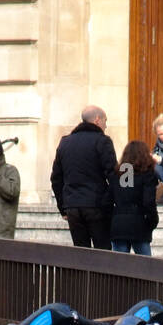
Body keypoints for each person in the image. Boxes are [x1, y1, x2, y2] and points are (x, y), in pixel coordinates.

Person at [50, 105, 117, 249]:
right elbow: (113, 174)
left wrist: (63, 207)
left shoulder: (65, 142)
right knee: (103, 253)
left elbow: (56, 179)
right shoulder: (102, 141)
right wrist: (113, 201)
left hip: (72, 207)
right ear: (98, 120)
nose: (106, 125)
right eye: (105, 120)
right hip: (97, 205)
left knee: (80, 255)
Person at [109, 140, 159, 255]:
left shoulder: (117, 174)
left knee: (120, 268)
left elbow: (108, 200)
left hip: (119, 224)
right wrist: (152, 221)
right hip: (139, 224)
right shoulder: (147, 174)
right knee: (145, 268)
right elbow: (148, 202)